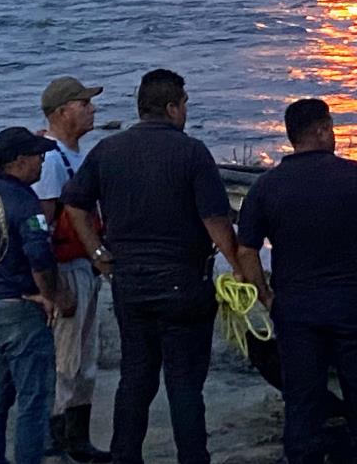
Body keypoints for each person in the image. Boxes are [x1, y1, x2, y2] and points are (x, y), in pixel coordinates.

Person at [61, 69, 242, 464]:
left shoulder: (108, 150)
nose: (186, 113)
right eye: (185, 105)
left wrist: (97, 253)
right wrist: (241, 269)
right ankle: (193, 458)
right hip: (183, 281)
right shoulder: (192, 152)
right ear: (173, 107)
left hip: (129, 283)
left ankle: (125, 456)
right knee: (184, 384)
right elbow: (215, 221)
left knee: (136, 378)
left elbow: (73, 204)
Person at [236, 98, 357, 464]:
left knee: (301, 398)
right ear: (320, 130)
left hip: (297, 308)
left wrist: (266, 296)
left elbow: (246, 251)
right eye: (330, 127)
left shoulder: (266, 187)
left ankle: (305, 455)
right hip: (355, 303)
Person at [0, 127, 76, 464]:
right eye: (37, 156)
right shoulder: (26, 203)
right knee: (33, 400)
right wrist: (49, 296)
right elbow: (39, 257)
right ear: (20, 161)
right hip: (19, 312)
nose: (42, 162)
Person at [32, 76, 111, 463]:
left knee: (86, 358)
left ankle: (77, 441)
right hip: (67, 270)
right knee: (66, 361)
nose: (92, 109)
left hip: (87, 267)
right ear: (63, 112)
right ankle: (54, 442)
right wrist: (50, 289)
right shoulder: (50, 160)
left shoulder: (79, 155)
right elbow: (43, 225)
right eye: (84, 103)